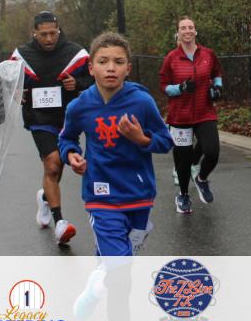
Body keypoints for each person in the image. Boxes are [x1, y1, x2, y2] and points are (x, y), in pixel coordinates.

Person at [59, 32, 172, 256]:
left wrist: (141, 139)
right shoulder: (79, 107)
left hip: (138, 193)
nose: (111, 68)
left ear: (128, 69)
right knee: (118, 260)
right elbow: (66, 138)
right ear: (91, 68)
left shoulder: (142, 102)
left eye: (118, 62)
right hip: (100, 193)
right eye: (103, 62)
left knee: (117, 259)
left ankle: (105, 268)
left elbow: (166, 141)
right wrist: (71, 155)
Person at [9, 11, 92, 245]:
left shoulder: (76, 53)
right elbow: (8, 82)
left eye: (53, 33)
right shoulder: (21, 55)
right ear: (34, 33)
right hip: (39, 117)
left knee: (57, 166)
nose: (48, 39)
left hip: (68, 116)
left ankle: (45, 197)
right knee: (52, 163)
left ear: (59, 30)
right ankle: (60, 223)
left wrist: (77, 83)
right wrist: (17, 93)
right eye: (43, 34)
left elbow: (94, 78)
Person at [159, 15, 224, 214]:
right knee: (183, 160)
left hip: (205, 112)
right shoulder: (171, 58)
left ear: (195, 31)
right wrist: (180, 88)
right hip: (181, 116)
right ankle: (184, 195)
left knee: (212, 152)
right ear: (178, 33)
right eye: (183, 28)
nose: (187, 31)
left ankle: (201, 178)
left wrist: (217, 88)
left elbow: (217, 73)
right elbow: (163, 86)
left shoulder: (208, 54)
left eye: (190, 27)